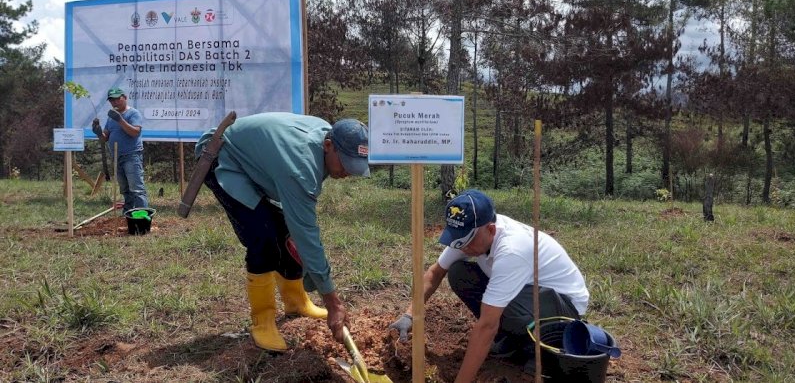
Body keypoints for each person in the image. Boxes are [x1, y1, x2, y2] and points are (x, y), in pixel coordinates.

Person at [195, 112, 370, 352]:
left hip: (252, 160)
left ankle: (296, 301)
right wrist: (332, 300)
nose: (347, 173)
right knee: (263, 236)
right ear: (328, 145)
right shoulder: (300, 165)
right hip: (222, 157)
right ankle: (263, 320)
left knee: (287, 235)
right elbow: (307, 235)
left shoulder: (326, 137)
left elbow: (298, 232)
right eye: (346, 164)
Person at [388, 189, 589, 381]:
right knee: (459, 273)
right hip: (529, 297)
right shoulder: (472, 233)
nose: (463, 247)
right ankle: (513, 338)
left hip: (563, 311)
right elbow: (435, 272)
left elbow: (486, 325)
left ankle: (542, 353)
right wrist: (409, 314)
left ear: (491, 229)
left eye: (467, 241)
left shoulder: (512, 250)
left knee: (498, 305)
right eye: (458, 241)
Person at [92, 87, 148, 212]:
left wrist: (120, 120)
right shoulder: (111, 117)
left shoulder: (133, 113)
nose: (115, 102)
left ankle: (143, 217)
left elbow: (134, 132)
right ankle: (128, 215)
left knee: (137, 189)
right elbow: (104, 138)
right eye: (112, 100)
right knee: (125, 189)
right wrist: (98, 132)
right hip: (117, 157)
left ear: (125, 98)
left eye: (118, 99)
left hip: (132, 155)